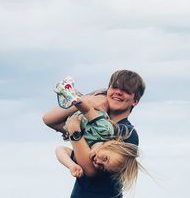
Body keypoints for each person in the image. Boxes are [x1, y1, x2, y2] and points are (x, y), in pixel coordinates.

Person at [43, 70, 145, 198]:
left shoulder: (127, 133)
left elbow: (90, 170)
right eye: (114, 87)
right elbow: (48, 119)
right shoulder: (89, 122)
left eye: (125, 90)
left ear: (134, 101)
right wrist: (87, 100)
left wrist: (75, 132)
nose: (118, 92)